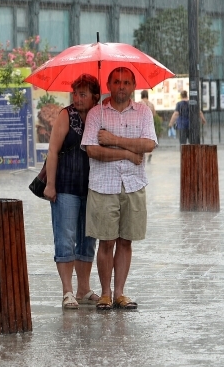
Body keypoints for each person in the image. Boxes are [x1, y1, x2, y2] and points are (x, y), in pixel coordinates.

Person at [82, 67, 156, 311]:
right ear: (109, 85)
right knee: (106, 241)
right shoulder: (96, 114)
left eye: (126, 82)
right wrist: (126, 153)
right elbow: (92, 150)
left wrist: (114, 140)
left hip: (134, 184)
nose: (121, 86)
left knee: (126, 241)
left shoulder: (143, 112)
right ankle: (105, 293)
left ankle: (120, 293)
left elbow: (148, 144)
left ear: (133, 86)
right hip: (104, 185)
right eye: (116, 82)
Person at [43, 74, 102, 309]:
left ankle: (84, 289)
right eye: (75, 93)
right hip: (66, 186)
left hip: (94, 187)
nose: (77, 98)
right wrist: (50, 185)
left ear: (95, 97)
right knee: (66, 238)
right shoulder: (66, 115)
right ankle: (67, 291)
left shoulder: (100, 116)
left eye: (83, 94)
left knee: (88, 239)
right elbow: (53, 151)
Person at [139, 90, 156, 163]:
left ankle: (143, 155)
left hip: (140, 124)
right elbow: (154, 114)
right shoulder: (151, 104)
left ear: (141, 95)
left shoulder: (139, 103)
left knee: (142, 140)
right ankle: (149, 154)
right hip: (149, 124)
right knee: (148, 140)